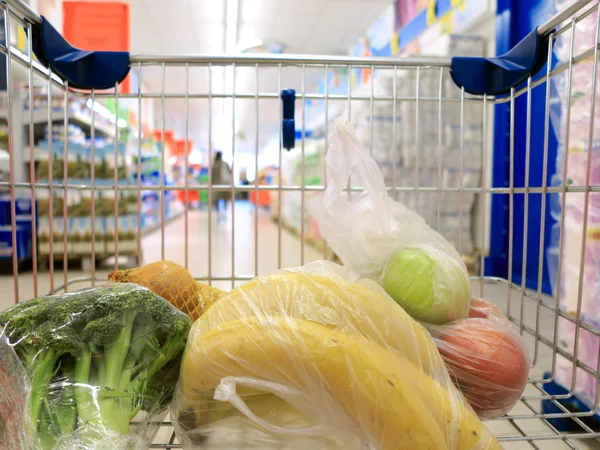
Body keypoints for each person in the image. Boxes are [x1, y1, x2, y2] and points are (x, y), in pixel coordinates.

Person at [211, 151, 232, 219]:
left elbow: (212, 176)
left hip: (216, 185)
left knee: (216, 200)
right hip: (226, 185)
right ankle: (225, 213)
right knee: (225, 199)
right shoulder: (225, 164)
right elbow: (230, 174)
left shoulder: (214, 165)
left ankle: (218, 213)